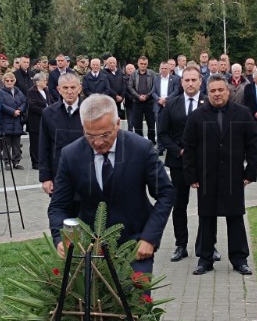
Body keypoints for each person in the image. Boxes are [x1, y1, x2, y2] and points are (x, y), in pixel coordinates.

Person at [47, 94, 175, 275]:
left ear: (117, 123)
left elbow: (166, 194)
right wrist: (60, 239)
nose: (98, 142)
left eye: (105, 134)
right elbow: (58, 206)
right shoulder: (71, 155)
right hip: (89, 250)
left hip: (135, 246)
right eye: (90, 135)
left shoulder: (141, 149)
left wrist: (149, 237)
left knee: (137, 302)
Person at [183, 74, 257, 276]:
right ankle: (205, 259)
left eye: (220, 90)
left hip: (234, 175)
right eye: (213, 91)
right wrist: (191, 176)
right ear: (208, 93)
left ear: (228, 91)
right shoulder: (197, 116)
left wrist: (250, 172)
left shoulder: (242, 113)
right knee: (206, 218)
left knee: (235, 217)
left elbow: (253, 144)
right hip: (206, 176)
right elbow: (189, 147)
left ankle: (239, 259)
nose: (217, 94)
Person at [157, 66, 206, 262]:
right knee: (179, 205)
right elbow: (163, 133)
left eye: (194, 80)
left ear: (200, 81)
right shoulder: (171, 104)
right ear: (181, 82)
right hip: (178, 162)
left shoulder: (208, 104)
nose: (190, 83)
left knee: (207, 205)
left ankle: (207, 244)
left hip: (203, 163)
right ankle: (181, 245)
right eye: (187, 80)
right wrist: (179, 150)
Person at [38, 73, 83, 215]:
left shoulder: (90, 111)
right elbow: (43, 147)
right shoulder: (49, 113)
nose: (69, 91)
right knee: (62, 219)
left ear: (80, 88)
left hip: (86, 175)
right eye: (65, 88)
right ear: (58, 89)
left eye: (73, 87)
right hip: (60, 175)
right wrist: (45, 178)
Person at [0, 71, 27, 170]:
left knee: (16, 143)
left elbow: (24, 101)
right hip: (7, 120)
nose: (9, 82)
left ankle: (16, 162)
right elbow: (1, 105)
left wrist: (19, 110)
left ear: (14, 81)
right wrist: (12, 111)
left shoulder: (18, 91)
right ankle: (7, 162)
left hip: (17, 120)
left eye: (11, 80)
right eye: (7, 81)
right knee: (7, 143)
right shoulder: (0, 92)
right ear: (4, 81)